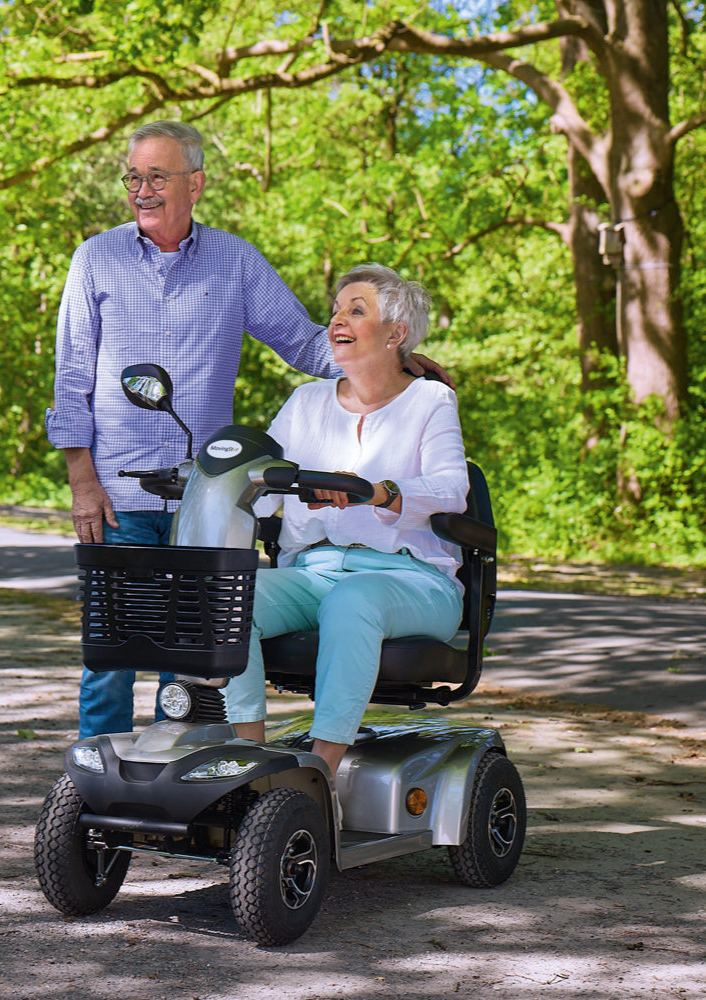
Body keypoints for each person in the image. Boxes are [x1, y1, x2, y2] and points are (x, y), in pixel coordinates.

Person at [45, 121, 450, 738]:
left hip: (204, 501)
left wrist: (391, 362)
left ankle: (177, 776)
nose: (142, 189)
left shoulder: (236, 260)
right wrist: (81, 483)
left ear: (195, 183)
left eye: (158, 176)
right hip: (116, 495)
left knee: (193, 654)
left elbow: (303, 342)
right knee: (114, 656)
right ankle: (95, 781)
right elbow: (70, 376)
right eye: (134, 176)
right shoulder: (94, 259)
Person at [222, 263, 468, 794]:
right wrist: (228, 492)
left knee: (353, 599)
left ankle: (318, 777)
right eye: (336, 309)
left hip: (413, 579)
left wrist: (380, 490)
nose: (338, 318)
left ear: (395, 334)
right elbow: (256, 483)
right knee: (226, 598)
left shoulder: (430, 400)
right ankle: (252, 769)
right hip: (313, 571)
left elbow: (451, 488)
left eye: (357, 310)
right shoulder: (305, 402)